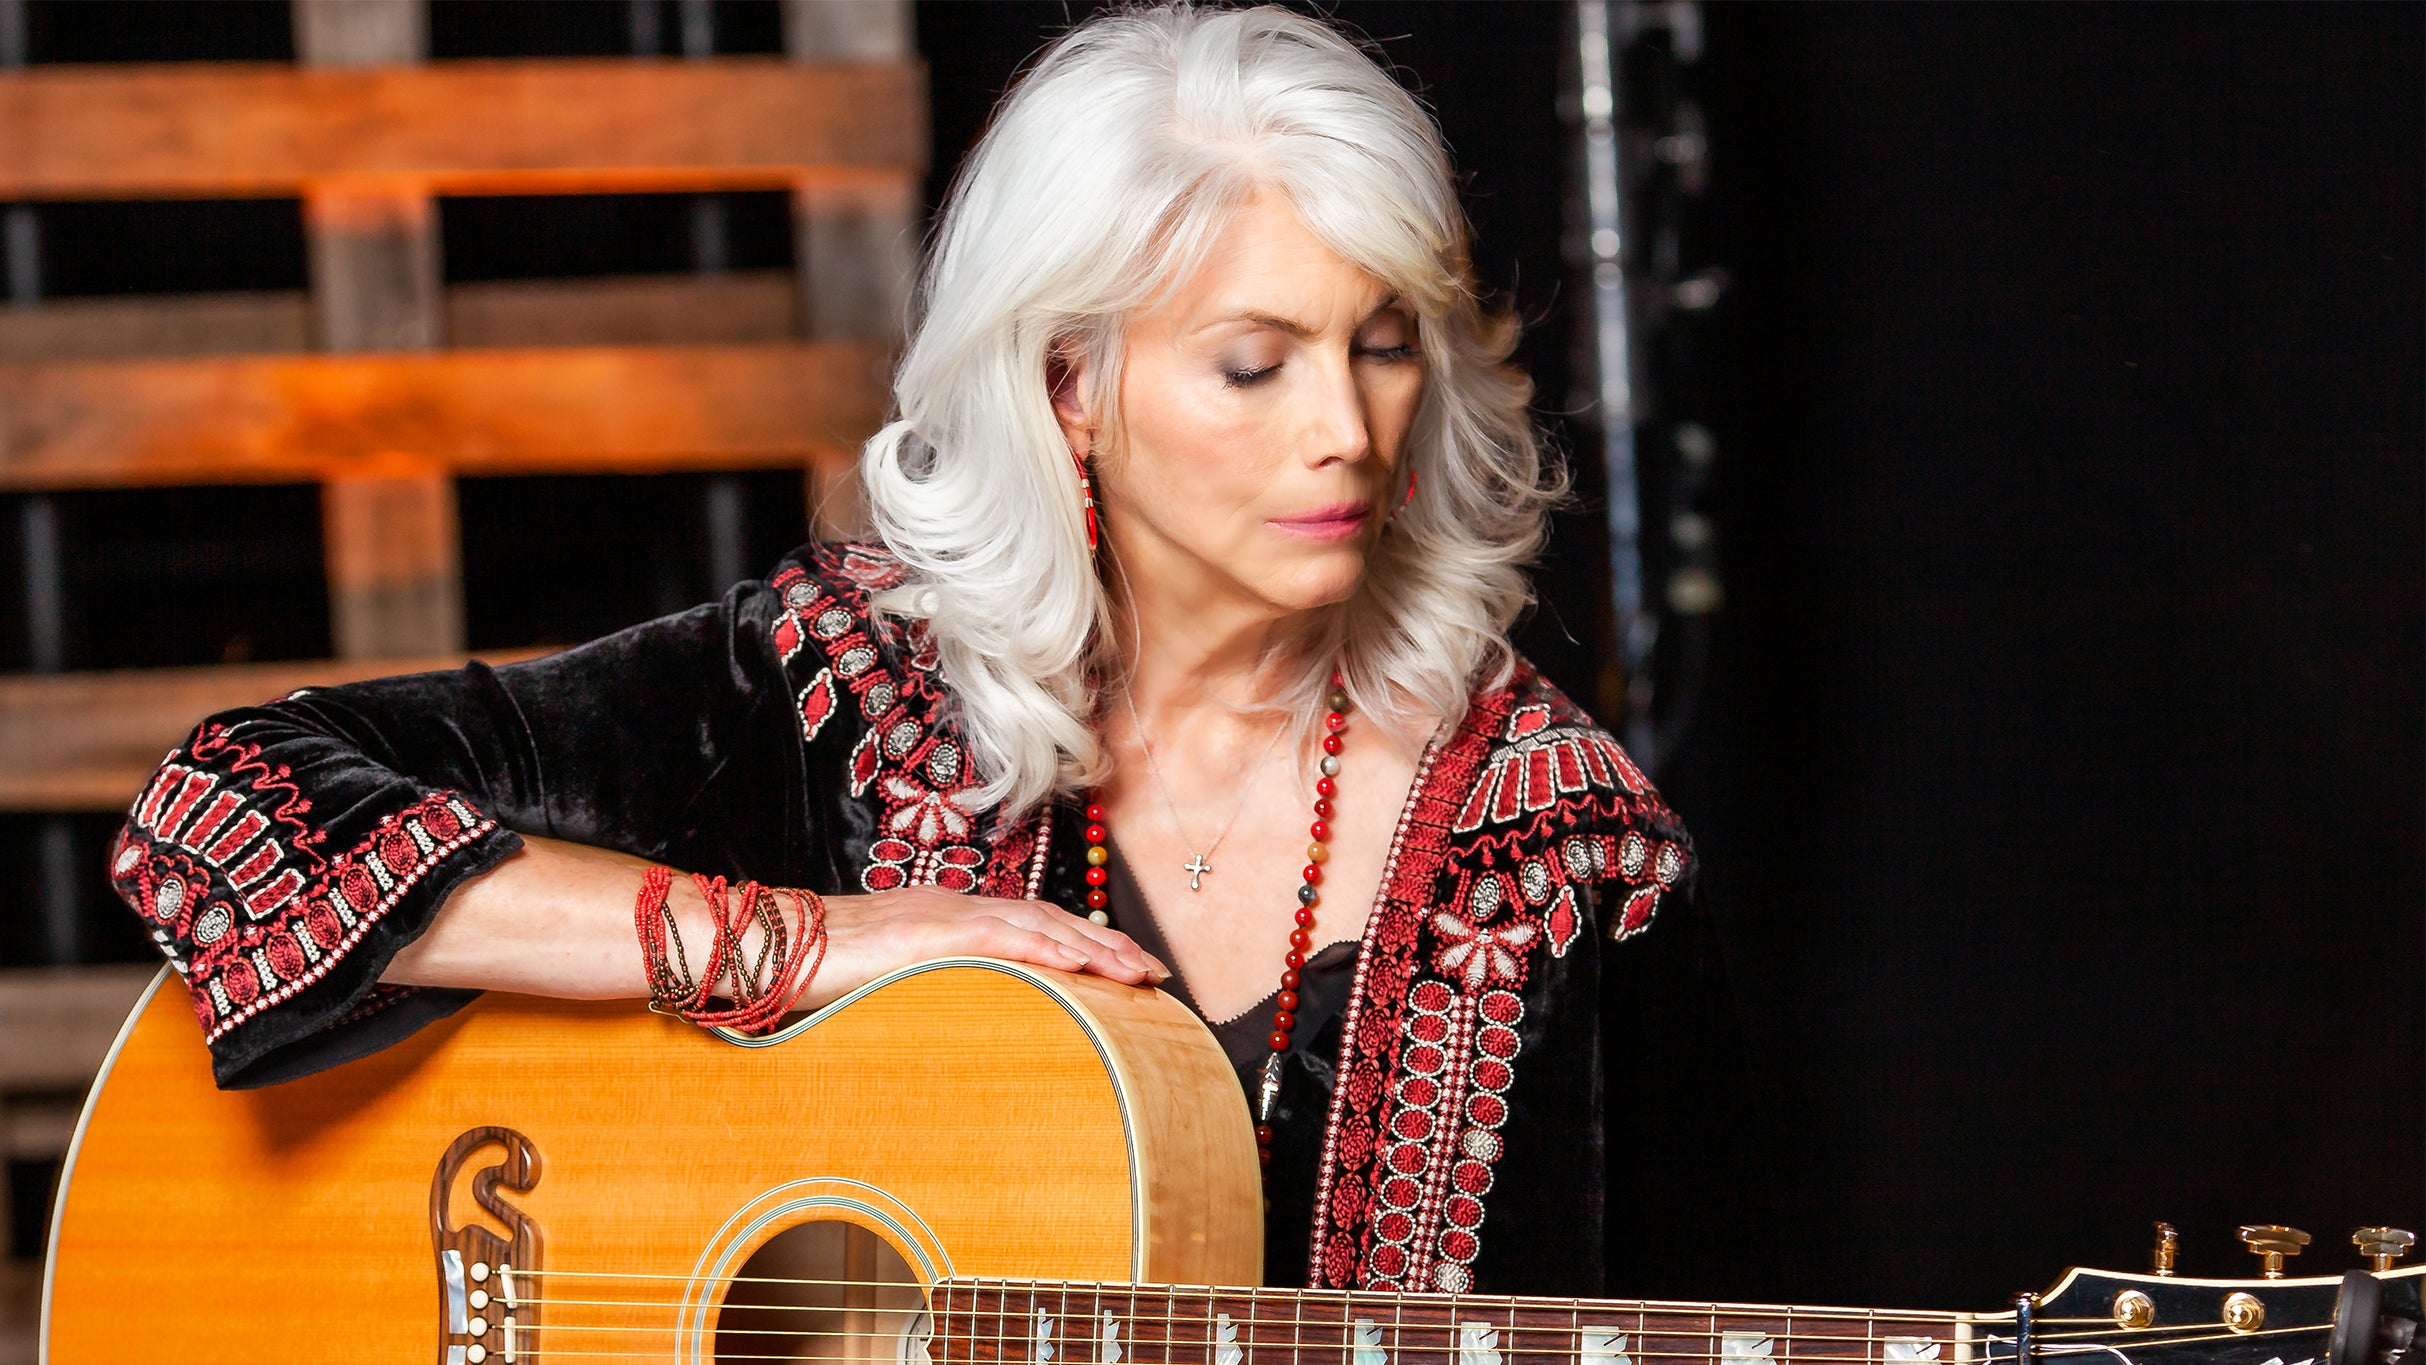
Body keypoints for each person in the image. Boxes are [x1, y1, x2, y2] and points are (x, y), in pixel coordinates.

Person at [106, 2, 1698, 1297]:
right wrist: (806, 943)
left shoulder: (1558, 849)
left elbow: (1697, 1275)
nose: (1343, 432)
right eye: (1250, 365)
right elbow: (221, 811)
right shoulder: (840, 686)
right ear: (1069, 381)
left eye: (1379, 344)